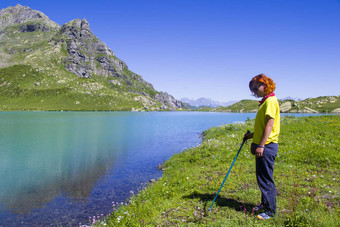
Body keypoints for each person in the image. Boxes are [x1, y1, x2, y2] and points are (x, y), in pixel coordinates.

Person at [243, 74, 280, 220]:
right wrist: (251, 135)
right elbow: (263, 126)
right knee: (262, 177)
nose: (254, 91)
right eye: (252, 89)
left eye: (256, 87)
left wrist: (261, 145)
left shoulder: (270, 101)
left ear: (265, 84)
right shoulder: (266, 101)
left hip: (267, 146)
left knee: (265, 179)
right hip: (263, 144)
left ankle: (270, 211)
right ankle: (265, 204)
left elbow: (269, 125)